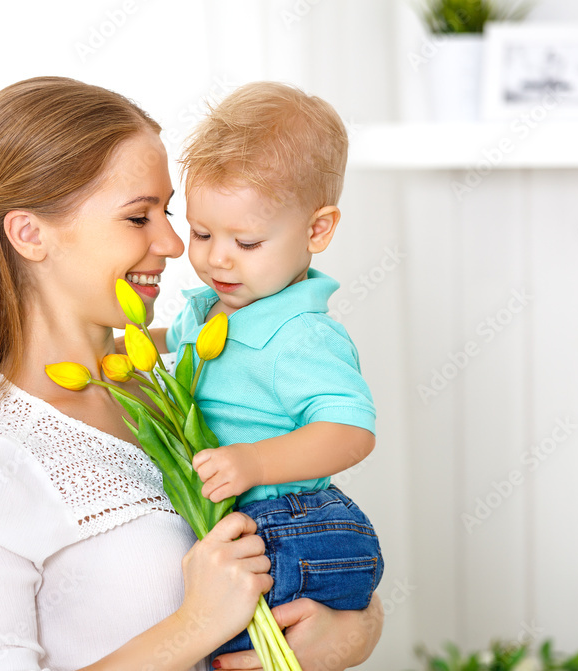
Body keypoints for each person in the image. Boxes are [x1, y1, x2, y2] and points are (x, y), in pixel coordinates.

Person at [0, 76, 383, 671]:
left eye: (169, 212)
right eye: (137, 217)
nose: (176, 244)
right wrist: (195, 627)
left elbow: (303, 541)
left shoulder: (176, 381)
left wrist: (354, 631)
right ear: (29, 233)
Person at [162, 82, 384, 657]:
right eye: (202, 233)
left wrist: (255, 461)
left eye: (247, 240)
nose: (216, 257)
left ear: (317, 230)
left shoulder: (299, 335)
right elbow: (190, 347)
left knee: (228, 650)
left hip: (293, 523)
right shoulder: (217, 307)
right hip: (240, 520)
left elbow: (351, 431)